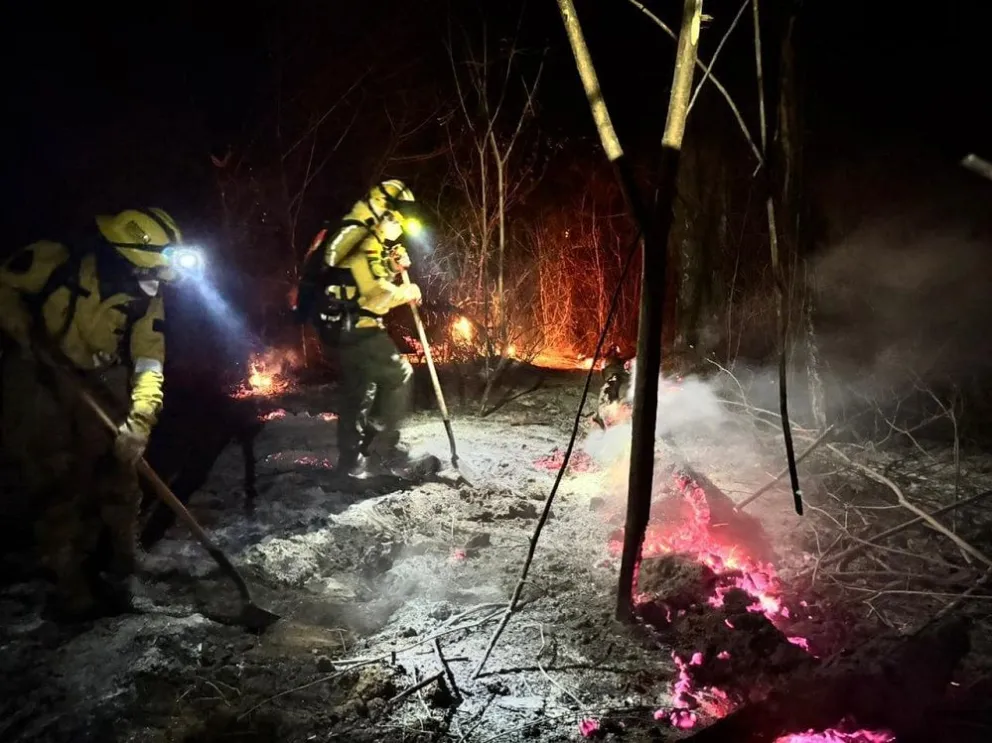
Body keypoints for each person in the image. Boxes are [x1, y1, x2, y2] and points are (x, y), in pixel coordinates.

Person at [0, 208, 185, 619]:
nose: (154, 286)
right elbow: (4, 285)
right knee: (55, 479)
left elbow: (149, 362)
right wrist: (21, 331)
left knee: (120, 471)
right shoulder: (54, 261)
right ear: (122, 258)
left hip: (99, 378)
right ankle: (68, 580)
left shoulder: (147, 301)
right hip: (35, 375)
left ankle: (124, 560)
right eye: (148, 272)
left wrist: (140, 420)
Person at [295, 179, 439, 479]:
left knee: (360, 390)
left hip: (341, 327)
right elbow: (375, 293)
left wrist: (390, 264)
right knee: (398, 375)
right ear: (385, 214)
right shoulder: (363, 239)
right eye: (398, 222)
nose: (399, 229)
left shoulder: (360, 237)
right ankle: (381, 450)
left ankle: (353, 461)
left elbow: (362, 279)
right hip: (357, 328)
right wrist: (407, 291)